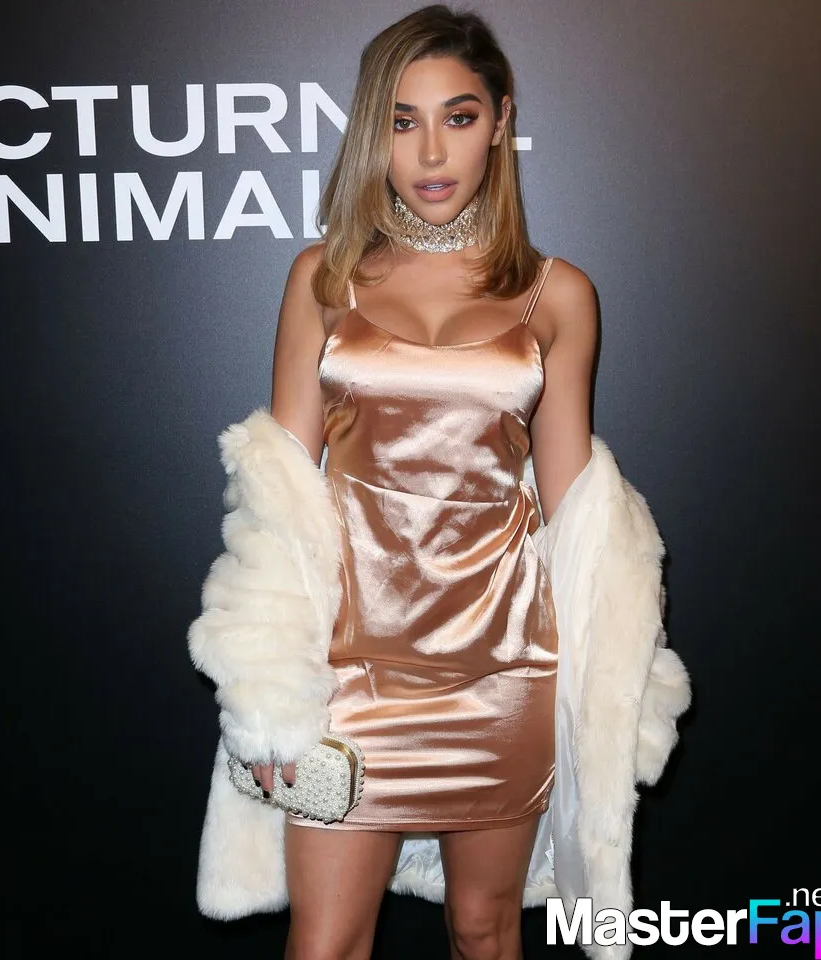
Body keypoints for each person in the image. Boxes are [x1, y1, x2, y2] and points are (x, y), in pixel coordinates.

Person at [188, 6, 691, 960]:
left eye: (458, 117)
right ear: (372, 132)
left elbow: (577, 512)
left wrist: (618, 675)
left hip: (504, 671)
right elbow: (278, 496)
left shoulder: (559, 296)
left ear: (500, 122)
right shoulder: (322, 280)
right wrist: (267, 687)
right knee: (324, 942)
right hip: (346, 676)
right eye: (401, 120)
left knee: (483, 930)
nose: (429, 151)